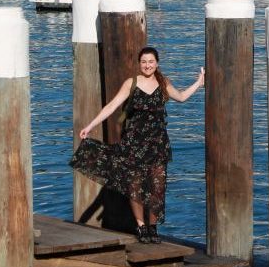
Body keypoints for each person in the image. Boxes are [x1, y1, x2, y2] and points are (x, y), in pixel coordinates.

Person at [79, 47, 204, 244]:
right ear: (139, 64)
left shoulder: (163, 83)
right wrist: (90, 126)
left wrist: (198, 82)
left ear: (157, 63)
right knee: (135, 186)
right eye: (144, 62)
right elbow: (111, 106)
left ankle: (153, 227)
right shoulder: (132, 83)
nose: (147, 65)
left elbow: (180, 97)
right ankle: (141, 226)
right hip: (134, 144)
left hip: (158, 144)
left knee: (157, 187)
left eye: (151, 62)